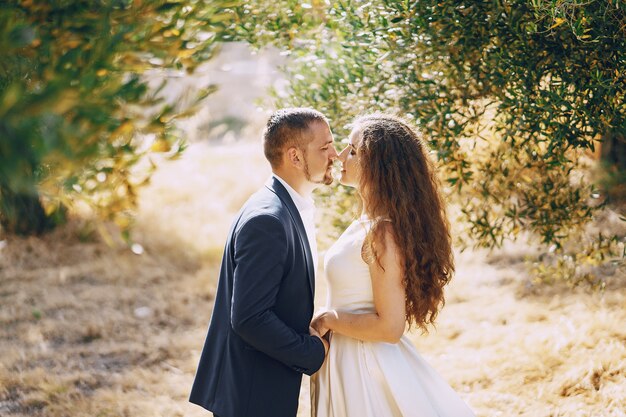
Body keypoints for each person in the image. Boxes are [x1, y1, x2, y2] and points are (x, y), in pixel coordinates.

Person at [310, 114, 475, 417]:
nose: (342, 156)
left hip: (366, 367)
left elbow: (390, 327)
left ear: (380, 165)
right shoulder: (367, 222)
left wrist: (328, 319)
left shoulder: (383, 233)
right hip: (348, 358)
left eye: (354, 150)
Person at [190, 108, 338, 417]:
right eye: (325, 147)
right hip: (251, 394)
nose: (335, 155)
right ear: (295, 157)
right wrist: (312, 353)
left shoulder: (288, 206)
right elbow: (249, 317)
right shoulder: (268, 220)